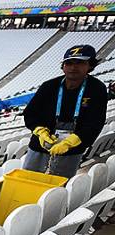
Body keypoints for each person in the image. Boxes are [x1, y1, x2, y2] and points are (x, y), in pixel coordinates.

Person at [23, 44, 107, 178]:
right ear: (63, 66)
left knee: (59, 186)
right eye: (69, 63)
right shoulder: (49, 86)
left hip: (71, 150)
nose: (73, 67)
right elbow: (30, 113)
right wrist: (40, 131)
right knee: (29, 178)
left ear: (90, 65)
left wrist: (72, 141)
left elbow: (95, 122)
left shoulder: (97, 89)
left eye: (79, 63)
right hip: (41, 145)